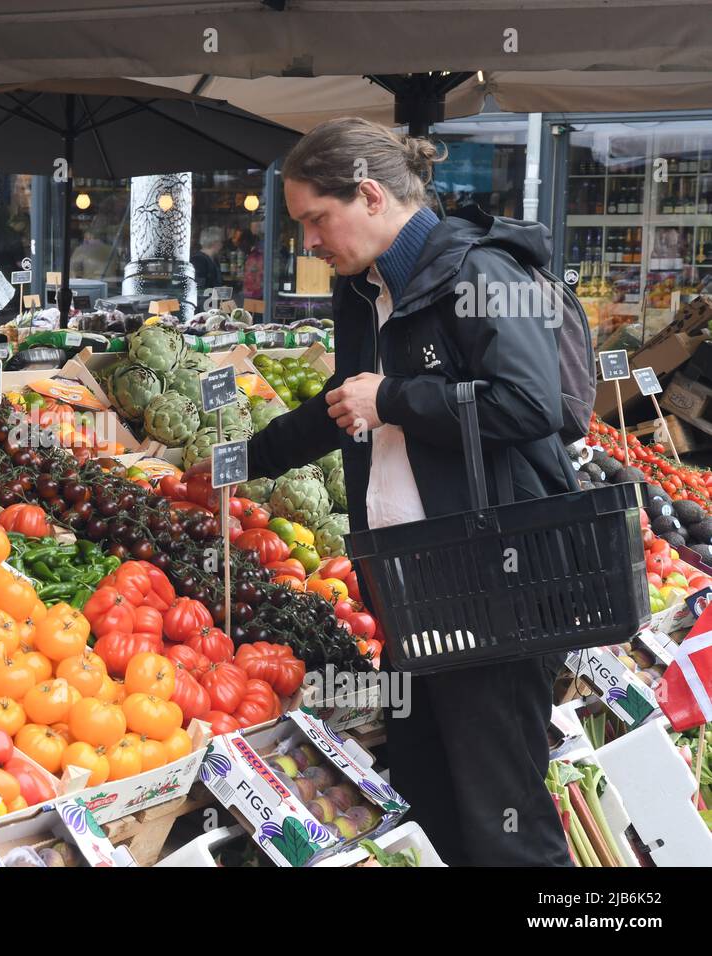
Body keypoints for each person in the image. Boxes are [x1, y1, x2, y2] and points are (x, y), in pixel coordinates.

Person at [189, 117, 577, 867]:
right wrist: (239, 461)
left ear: (368, 195)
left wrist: (396, 398)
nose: (308, 243)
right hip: (410, 592)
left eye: (313, 220)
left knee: (502, 822)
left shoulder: (478, 274)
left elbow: (536, 406)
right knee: (425, 801)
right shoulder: (361, 292)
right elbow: (346, 400)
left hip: (493, 584)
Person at [190, 226, 224, 300]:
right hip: (202, 307)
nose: (222, 245)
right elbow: (199, 289)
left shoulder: (213, 260)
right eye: (221, 242)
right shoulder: (198, 260)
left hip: (211, 305)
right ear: (215, 243)